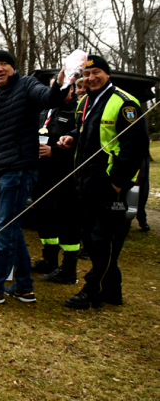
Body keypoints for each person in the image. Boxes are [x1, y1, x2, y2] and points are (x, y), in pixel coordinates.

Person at [0, 50, 68, 305]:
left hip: (20, 168)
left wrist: (61, 84)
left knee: (5, 229)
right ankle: (24, 287)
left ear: (13, 67)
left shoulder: (27, 85)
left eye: (4, 64)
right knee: (12, 227)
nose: (0, 69)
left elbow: (49, 98)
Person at [57, 55, 149, 309]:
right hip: (85, 182)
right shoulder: (85, 102)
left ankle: (92, 290)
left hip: (111, 187)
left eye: (96, 72)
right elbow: (85, 130)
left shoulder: (125, 103)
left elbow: (136, 145)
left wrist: (117, 183)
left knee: (102, 239)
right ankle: (112, 290)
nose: (90, 78)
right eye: (86, 74)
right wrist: (71, 137)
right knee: (91, 237)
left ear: (107, 74)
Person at [30, 80, 80, 284]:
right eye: (53, 87)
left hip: (66, 173)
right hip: (43, 172)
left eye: (61, 88)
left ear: (72, 89)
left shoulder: (77, 110)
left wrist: (55, 151)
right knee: (42, 213)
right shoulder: (46, 109)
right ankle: (49, 258)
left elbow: (82, 139)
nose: (56, 91)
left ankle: (69, 267)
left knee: (66, 217)